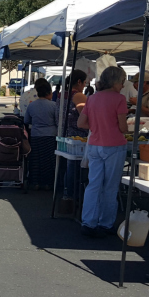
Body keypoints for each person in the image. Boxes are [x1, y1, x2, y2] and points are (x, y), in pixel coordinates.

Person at [77, 66, 129, 237]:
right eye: (122, 82)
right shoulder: (120, 99)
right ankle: (105, 223)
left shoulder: (91, 98)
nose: (123, 85)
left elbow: (81, 123)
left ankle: (88, 222)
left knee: (93, 185)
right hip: (114, 146)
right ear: (116, 82)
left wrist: (98, 126)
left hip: (94, 145)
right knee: (110, 187)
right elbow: (123, 127)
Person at [23, 78, 58, 190]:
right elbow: (58, 121)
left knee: (36, 159)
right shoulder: (53, 105)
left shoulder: (32, 105)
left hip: (36, 135)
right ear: (48, 93)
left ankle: (36, 182)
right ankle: (48, 183)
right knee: (49, 160)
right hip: (50, 135)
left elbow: (26, 120)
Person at [61, 70, 89, 206]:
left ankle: (68, 195)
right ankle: (73, 196)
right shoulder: (78, 96)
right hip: (79, 136)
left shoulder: (62, 94)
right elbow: (86, 117)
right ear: (79, 82)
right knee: (76, 167)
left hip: (65, 134)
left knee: (70, 165)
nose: (85, 85)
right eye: (84, 82)